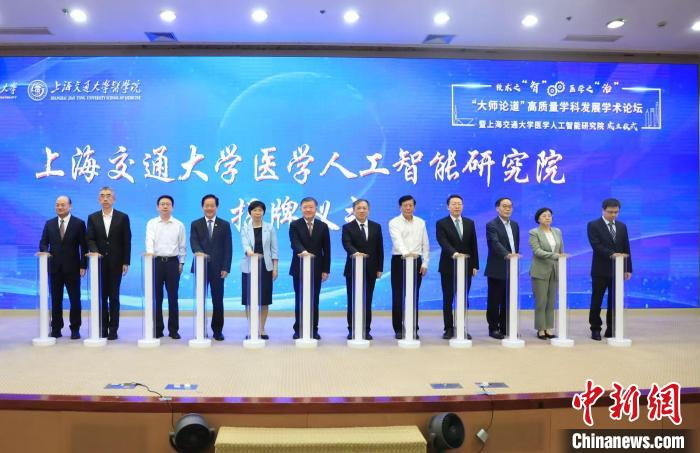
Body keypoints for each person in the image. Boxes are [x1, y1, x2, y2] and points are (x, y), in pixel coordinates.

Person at [86, 186, 132, 340]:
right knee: (101, 297)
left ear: (114, 199)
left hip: (116, 263)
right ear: (99, 199)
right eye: (102, 196)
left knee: (114, 297)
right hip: (99, 263)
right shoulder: (92, 217)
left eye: (108, 195)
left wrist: (126, 261)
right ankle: (103, 328)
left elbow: (127, 241)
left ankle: (113, 329)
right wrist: (94, 251)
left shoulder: (122, 217)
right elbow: (90, 238)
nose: (105, 198)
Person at [39, 195, 87, 339]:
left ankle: (75, 328)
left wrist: (83, 265)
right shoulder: (49, 224)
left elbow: (84, 247)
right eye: (57, 204)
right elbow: (43, 243)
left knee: (75, 300)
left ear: (70, 206)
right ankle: (56, 328)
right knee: (56, 299)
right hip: (54, 268)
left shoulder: (79, 223)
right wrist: (45, 252)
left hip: (73, 268)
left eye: (62, 205)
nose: (59, 207)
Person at [587, 198, 632, 341]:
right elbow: (596, 245)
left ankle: (611, 328)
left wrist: (628, 268)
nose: (613, 215)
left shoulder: (622, 226)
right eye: (610, 212)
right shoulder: (593, 225)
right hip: (600, 270)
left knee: (614, 301)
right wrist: (612, 254)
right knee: (597, 301)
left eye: (616, 212)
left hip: (617, 270)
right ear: (603, 210)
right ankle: (595, 329)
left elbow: (626, 247)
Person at [436, 194, 479, 340]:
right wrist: (454, 253)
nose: (457, 206)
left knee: (463, 298)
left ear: (463, 206)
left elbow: (473, 245)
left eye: (459, 203)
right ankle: (448, 328)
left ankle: (461, 326)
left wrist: (475, 265)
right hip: (448, 266)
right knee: (448, 298)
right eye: (454, 204)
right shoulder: (441, 223)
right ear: (448, 207)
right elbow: (443, 242)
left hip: (466, 266)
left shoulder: (469, 223)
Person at [190, 194, 232, 341]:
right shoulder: (195, 224)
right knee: (200, 299)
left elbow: (228, 248)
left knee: (217, 300)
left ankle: (217, 330)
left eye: (212, 205)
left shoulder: (224, 225)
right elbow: (193, 242)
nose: (209, 208)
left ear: (216, 207)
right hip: (201, 267)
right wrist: (199, 252)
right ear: (202, 207)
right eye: (206, 205)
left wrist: (226, 267)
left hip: (218, 269)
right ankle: (200, 328)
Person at [341, 199, 384, 340]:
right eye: (358, 208)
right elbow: (347, 244)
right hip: (353, 269)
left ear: (368, 210)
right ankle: (352, 329)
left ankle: (366, 329)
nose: (361, 210)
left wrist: (379, 268)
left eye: (364, 208)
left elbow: (380, 248)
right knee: (352, 300)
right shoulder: (347, 227)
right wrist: (356, 253)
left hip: (371, 270)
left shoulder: (376, 227)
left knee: (367, 300)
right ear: (353, 211)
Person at [288, 197, 331, 340]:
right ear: (301, 209)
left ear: (316, 209)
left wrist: (326, 270)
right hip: (299, 268)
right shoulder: (295, 224)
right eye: (305, 207)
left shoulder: (322, 226)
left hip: (317, 268)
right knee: (300, 299)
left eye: (311, 207)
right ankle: (298, 329)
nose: (308, 210)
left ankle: (313, 329)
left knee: (314, 300)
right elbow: (294, 243)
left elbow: (327, 249)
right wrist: (304, 252)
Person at [388, 195, 429, 340]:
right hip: (399, 260)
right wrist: (407, 254)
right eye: (405, 205)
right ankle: (398, 328)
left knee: (414, 296)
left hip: (416, 261)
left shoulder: (421, 222)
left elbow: (425, 244)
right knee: (398, 296)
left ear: (414, 207)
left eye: (410, 205)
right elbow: (397, 241)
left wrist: (425, 263)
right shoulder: (394, 222)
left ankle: (413, 327)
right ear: (400, 207)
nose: (408, 208)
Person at [145, 195, 186, 339]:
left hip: (173, 263)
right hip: (156, 262)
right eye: (162, 204)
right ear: (157, 207)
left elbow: (182, 246)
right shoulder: (152, 223)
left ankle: (173, 330)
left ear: (172, 207)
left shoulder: (179, 225)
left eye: (168, 204)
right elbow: (149, 240)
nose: (165, 206)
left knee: (173, 297)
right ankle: (158, 329)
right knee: (157, 298)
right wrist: (149, 255)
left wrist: (181, 263)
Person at [240, 200, 278, 340]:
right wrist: (251, 253)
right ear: (250, 212)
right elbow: (245, 244)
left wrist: (275, 268)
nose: (257, 212)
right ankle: (252, 328)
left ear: (263, 212)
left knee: (264, 300)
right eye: (254, 210)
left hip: (265, 267)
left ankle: (261, 329)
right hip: (249, 266)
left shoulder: (270, 228)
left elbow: (274, 250)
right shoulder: (245, 228)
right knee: (249, 300)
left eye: (260, 210)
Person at [485, 197, 520, 339]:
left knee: (508, 299)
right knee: (495, 300)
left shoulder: (515, 225)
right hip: (497, 268)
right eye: (504, 206)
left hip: (512, 267)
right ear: (497, 208)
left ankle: (505, 327)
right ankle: (493, 328)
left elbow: (515, 246)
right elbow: (495, 243)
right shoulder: (492, 225)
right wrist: (507, 254)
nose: (508, 208)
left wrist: (513, 257)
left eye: (510, 206)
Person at [528, 208, 563, 340]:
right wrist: (555, 255)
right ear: (538, 219)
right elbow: (537, 251)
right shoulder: (534, 232)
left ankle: (549, 327)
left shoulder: (557, 231)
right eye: (544, 216)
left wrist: (560, 258)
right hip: (540, 271)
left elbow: (561, 250)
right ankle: (540, 328)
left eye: (549, 215)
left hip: (554, 270)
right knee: (541, 301)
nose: (548, 218)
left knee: (551, 301)